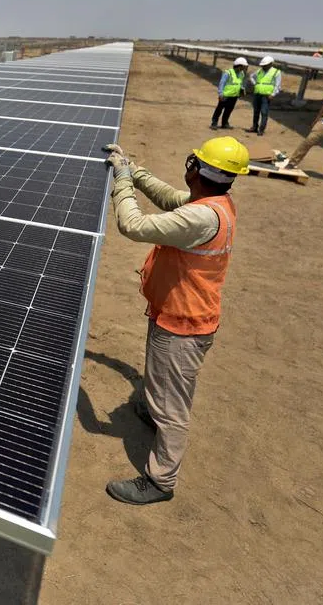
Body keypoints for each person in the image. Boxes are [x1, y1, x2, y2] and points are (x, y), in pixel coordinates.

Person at [100, 136, 250, 505]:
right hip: (179, 314)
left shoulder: (201, 216)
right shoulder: (215, 203)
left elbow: (132, 225)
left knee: (173, 408)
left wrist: (120, 181)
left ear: (197, 170)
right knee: (160, 383)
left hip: (184, 325)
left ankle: (160, 481)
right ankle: (152, 411)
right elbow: (170, 198)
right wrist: (135, 171)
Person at [211, 57, 250, 130]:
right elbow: (222, 83)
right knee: (219, 109)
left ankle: (225, 123)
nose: (244, 68)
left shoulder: (241, 74)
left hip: (234, 96)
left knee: (228, 110)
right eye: (243, 67)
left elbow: (239, 83)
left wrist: (242, 90)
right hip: (225, 95)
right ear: (239, 66)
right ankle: (214, 123)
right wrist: (220, 94)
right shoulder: (228, 72)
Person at [248, 56, 282, 136]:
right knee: (256, 112)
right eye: (262, 65)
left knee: (264, 112)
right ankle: (254, 127)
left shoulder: (276, 72)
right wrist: (255, 84)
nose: (263, 66)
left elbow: (278, 85)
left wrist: (273, 94)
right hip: (257, 94)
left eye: (265, 65)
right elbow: (251, 76)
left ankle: (261, 130)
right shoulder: (260, 71)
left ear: (270, 64)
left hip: (266, 96)